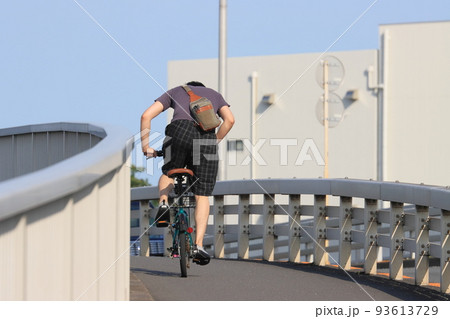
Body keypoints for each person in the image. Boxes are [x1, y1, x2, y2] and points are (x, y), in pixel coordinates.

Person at [140, 81, 234, 265]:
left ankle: (164, 203)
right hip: (206, 136)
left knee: (169, 171)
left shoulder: (176, 91)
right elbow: (229, 120)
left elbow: (146, 115)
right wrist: (214, 141)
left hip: (179, 131)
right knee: (202, 195)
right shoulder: (214, 94)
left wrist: (146, 147)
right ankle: (198, 245)